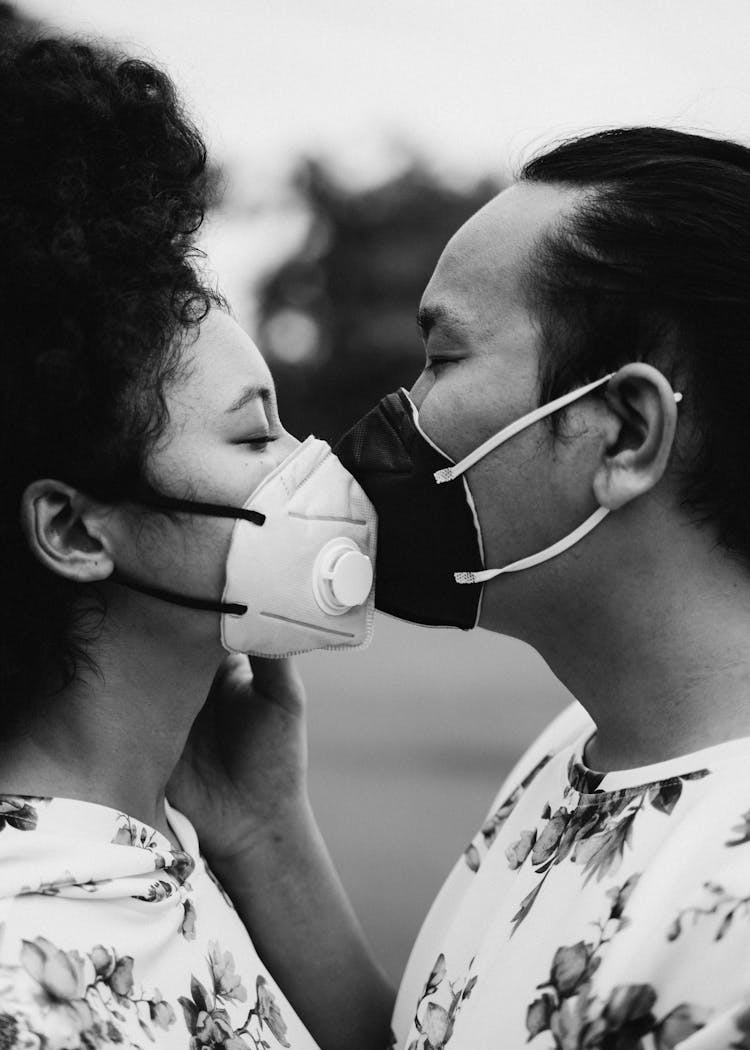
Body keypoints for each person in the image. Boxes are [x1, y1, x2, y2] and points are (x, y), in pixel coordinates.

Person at [215, 127, 750, 1050]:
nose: (400, 410)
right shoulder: (579, 752)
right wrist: (263, 828)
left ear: (623, 433)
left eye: (443, 359)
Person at [0, 28, 392, 1050]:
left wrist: (266, 832)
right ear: (77, 528)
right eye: (256, 433)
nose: (309, 464)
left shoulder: (151, 847)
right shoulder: (26, 977)